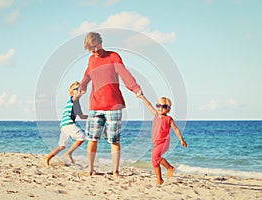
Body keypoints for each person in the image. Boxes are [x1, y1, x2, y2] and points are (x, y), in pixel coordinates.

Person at [79, 32, 143, 177]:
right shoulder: (91, 60)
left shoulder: (113, 56)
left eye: (96, 46)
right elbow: (87, 75)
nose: (95, 51)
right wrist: (82, 87)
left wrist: (135, 88)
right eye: (91, 48)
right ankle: (90, 170)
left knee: (114, 140)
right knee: (92, 139)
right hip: (95, 105)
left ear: (101, 42)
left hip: (113, 105)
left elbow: (124, 73)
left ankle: (115, 171)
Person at [137, 94, 187, 185]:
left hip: (164, 142)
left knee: (156, 157)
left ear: (168, 108)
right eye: (158, 106)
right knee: (154, 160)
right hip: (156, 142)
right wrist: (142, 97)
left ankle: (169, 168)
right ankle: (160, 179)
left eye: (163, 106)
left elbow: (175, 129)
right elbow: (148, 105)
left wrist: (181, 139)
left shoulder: (169, 119)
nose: (160, 108)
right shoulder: (156, 115)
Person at [43, 81, 88, 166]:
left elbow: (82, 116)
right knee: (81, 137)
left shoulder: (77, 104)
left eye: (80, 88)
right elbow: (76, 96)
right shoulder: (72, 99)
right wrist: (82, 92)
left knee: (62, 146)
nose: (79, 90)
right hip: (68, 124)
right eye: (77, 89)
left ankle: (48, 158)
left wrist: (92, 116)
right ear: (72, 92)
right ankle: (69, 153)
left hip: (64, 126)